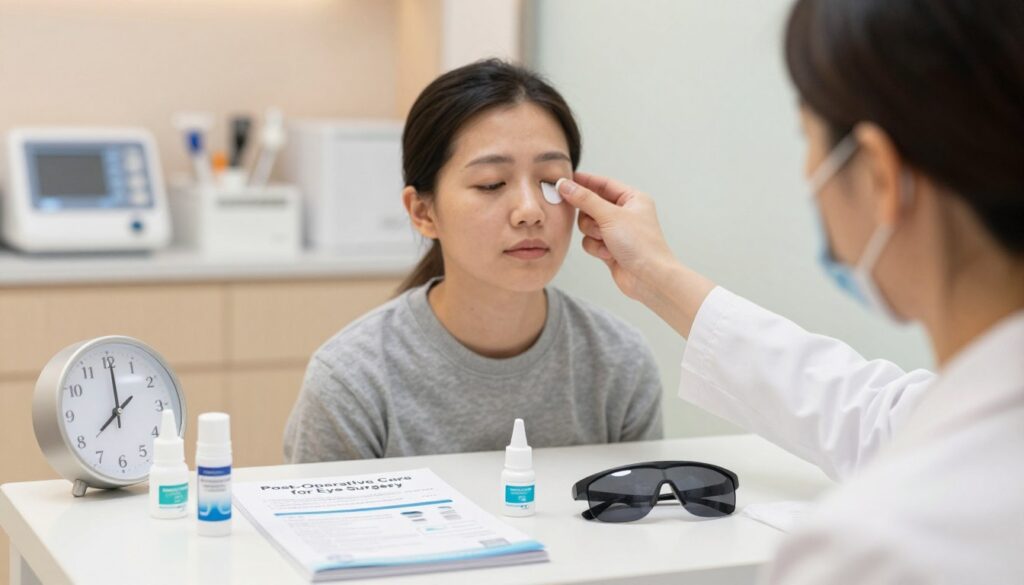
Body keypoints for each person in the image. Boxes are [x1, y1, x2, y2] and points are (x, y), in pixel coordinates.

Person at [551, 0, 1024, 583]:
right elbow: (871, 414)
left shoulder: (880, 550)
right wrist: (657, 275)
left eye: (810, 140)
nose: (809, 175)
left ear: (879, 174)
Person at [284, 59, 663, 464]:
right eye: (491, 184)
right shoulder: (351, 380)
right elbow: (323, 529)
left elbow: (640, 523)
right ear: (423, 212)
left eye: (552, 181)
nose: (530, 210)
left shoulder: (619, 363)